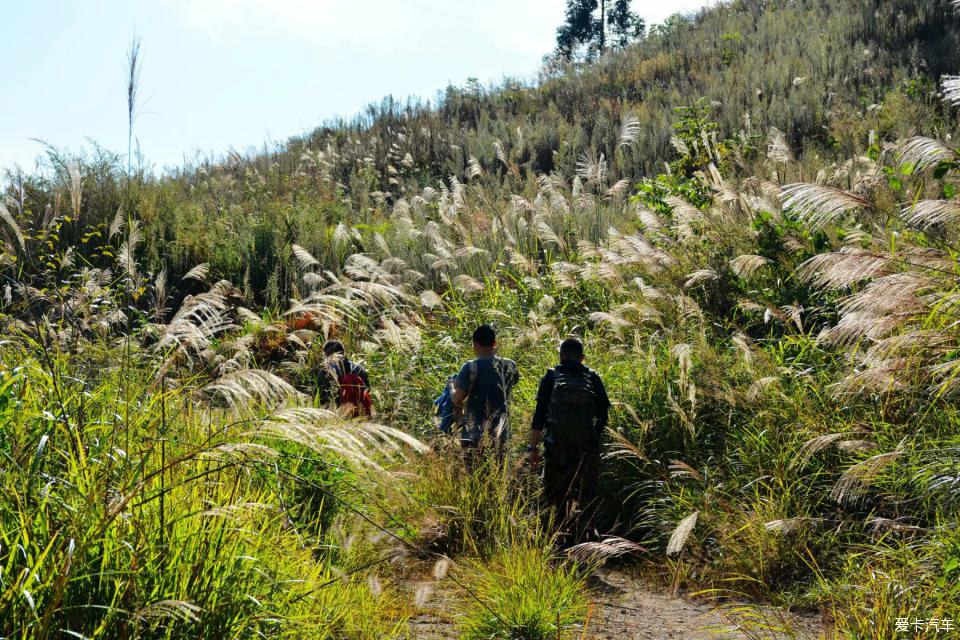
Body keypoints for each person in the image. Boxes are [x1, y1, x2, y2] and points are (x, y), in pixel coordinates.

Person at [527, 337, 610, 545]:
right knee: (585, 498)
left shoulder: (551, 376)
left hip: (556, 448)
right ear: (582, 358)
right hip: (586, 451)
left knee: (554, 498)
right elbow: (603, 416)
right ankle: (585, 547)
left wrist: (533, 448)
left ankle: (557, 547)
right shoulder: (592, 377)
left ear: (560, 355)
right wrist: (591, 437)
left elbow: (538, 417)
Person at [452, 324, 519, 468]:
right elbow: (513, 382)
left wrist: (451, 387)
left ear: (474, 344)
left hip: (473, 435)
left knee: (475, 479)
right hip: (501, 434)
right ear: (495, 344)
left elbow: (458, 399)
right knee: (499, 476)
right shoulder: (510, 365)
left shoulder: (470, 367)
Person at [316, 339, 372, 417]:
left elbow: (321, 398)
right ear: (343, 352)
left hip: (337, 416)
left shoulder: (325, 371)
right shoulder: (359, 368)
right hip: (361, 413)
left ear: (326, 354)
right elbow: (367, 391)